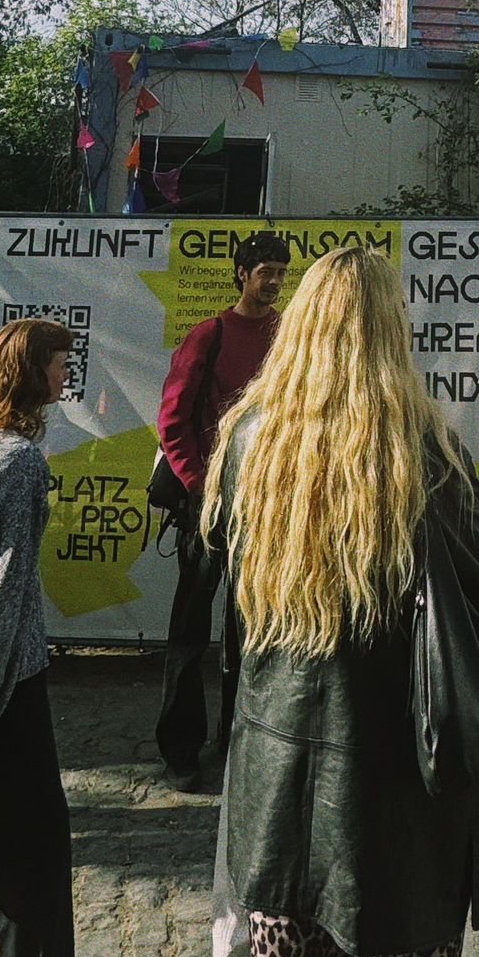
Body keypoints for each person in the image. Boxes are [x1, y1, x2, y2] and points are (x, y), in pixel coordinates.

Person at [202, 243, 479, 957]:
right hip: (402, 774)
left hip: (278, 773)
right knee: (409, 955)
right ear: (390, 331)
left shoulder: (250, 438)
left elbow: (227, 558)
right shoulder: (424, 448)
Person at [156, 229, 291, 789]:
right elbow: (172, 420)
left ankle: (240, 742)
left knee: (253, 630)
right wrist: (197, 486)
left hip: (265, 504)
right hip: (207, 507)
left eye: (281, 272)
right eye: (265, 272)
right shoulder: (208, 335)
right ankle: (181, 748)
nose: (275, 281)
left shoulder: (289, 337)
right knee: (191, 631)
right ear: (241, 274)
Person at [0, 317, 76, 957]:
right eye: (59, 363)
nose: (67, 374)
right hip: (8, 683)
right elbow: (6, 589)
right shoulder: (16, 460)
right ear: (32, 370)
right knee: (34, 857)